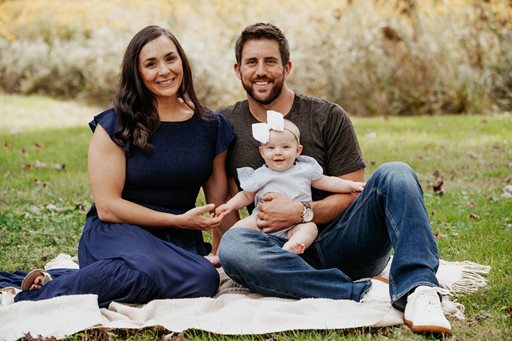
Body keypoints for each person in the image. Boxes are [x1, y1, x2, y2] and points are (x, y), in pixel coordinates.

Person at [216, 23, 452, 335]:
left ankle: (420, 290)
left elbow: (352, 193)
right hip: (280, 252)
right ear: (238, 69)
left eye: (270, 61)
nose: (261, 71)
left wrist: (302, 212)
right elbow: (227, 198)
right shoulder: (227, 123)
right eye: (252, 62)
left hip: (346, 242)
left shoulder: (327, 116)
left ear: (286, 67)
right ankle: (361, 292)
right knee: (234, 245)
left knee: (396, 173)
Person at [2, 25, 234, 308]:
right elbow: (108, 207)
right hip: (116, 232)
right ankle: (29, 296)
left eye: (170, 58)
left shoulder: (211, 126)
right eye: (151, 64)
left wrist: (227, 253)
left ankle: (57, 280)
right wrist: (178, 219)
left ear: (182, 61)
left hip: (177, 242)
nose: (164, 70)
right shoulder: (116, 125)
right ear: (137, 73)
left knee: (204, 281)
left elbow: (219, 206)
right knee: (156, 273)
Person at [215, 112, 365, 255]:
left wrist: (351, 185)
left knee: (310, 228)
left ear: (298, 150)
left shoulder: (305, 169)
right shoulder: (260, 174)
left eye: (285, 147)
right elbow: (246, 195)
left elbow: (328, 182)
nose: (278, 152)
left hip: (296, 222)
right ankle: (221, 254)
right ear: (262, 152)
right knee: (237, 230)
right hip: (262, 220)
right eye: (271, 148)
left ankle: (292, 246)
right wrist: (229, 206)